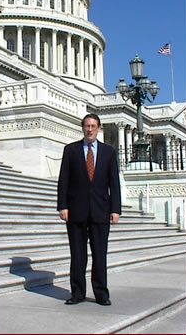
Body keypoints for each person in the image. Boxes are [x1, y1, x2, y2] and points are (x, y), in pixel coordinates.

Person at [57, 113, 121, 306]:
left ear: (99, 128)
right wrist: (62, 206)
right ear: (82, 128)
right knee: (77, 254)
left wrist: (115, 209)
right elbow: (63, 180)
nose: (90, 129)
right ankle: (77, 293)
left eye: (93, 126)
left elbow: (114, 183)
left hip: (101, 211)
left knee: (100, 254)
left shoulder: (109, 152)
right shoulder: (71, 150)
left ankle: (101, 293)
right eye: (87, 126)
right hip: (75, 210)